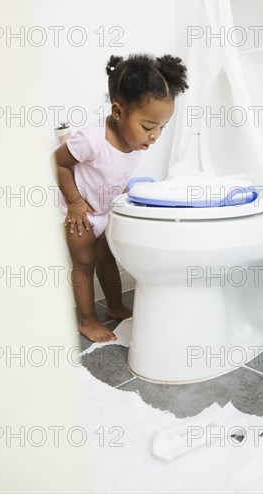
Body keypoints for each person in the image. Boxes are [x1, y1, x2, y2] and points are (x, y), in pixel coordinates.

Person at [52, 54, 188, 342]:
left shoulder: (135, 142)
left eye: (161, 128)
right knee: (84, 265)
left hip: (105, 210)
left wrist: (124, 189)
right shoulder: (91, 139)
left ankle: (114, 306)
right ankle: (88, 320)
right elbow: (59, 162)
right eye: (149, 126)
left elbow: (111, 170)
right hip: (82, 214)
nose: (155, 136)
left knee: (108, 261)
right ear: (118, 112)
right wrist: (75, 203)